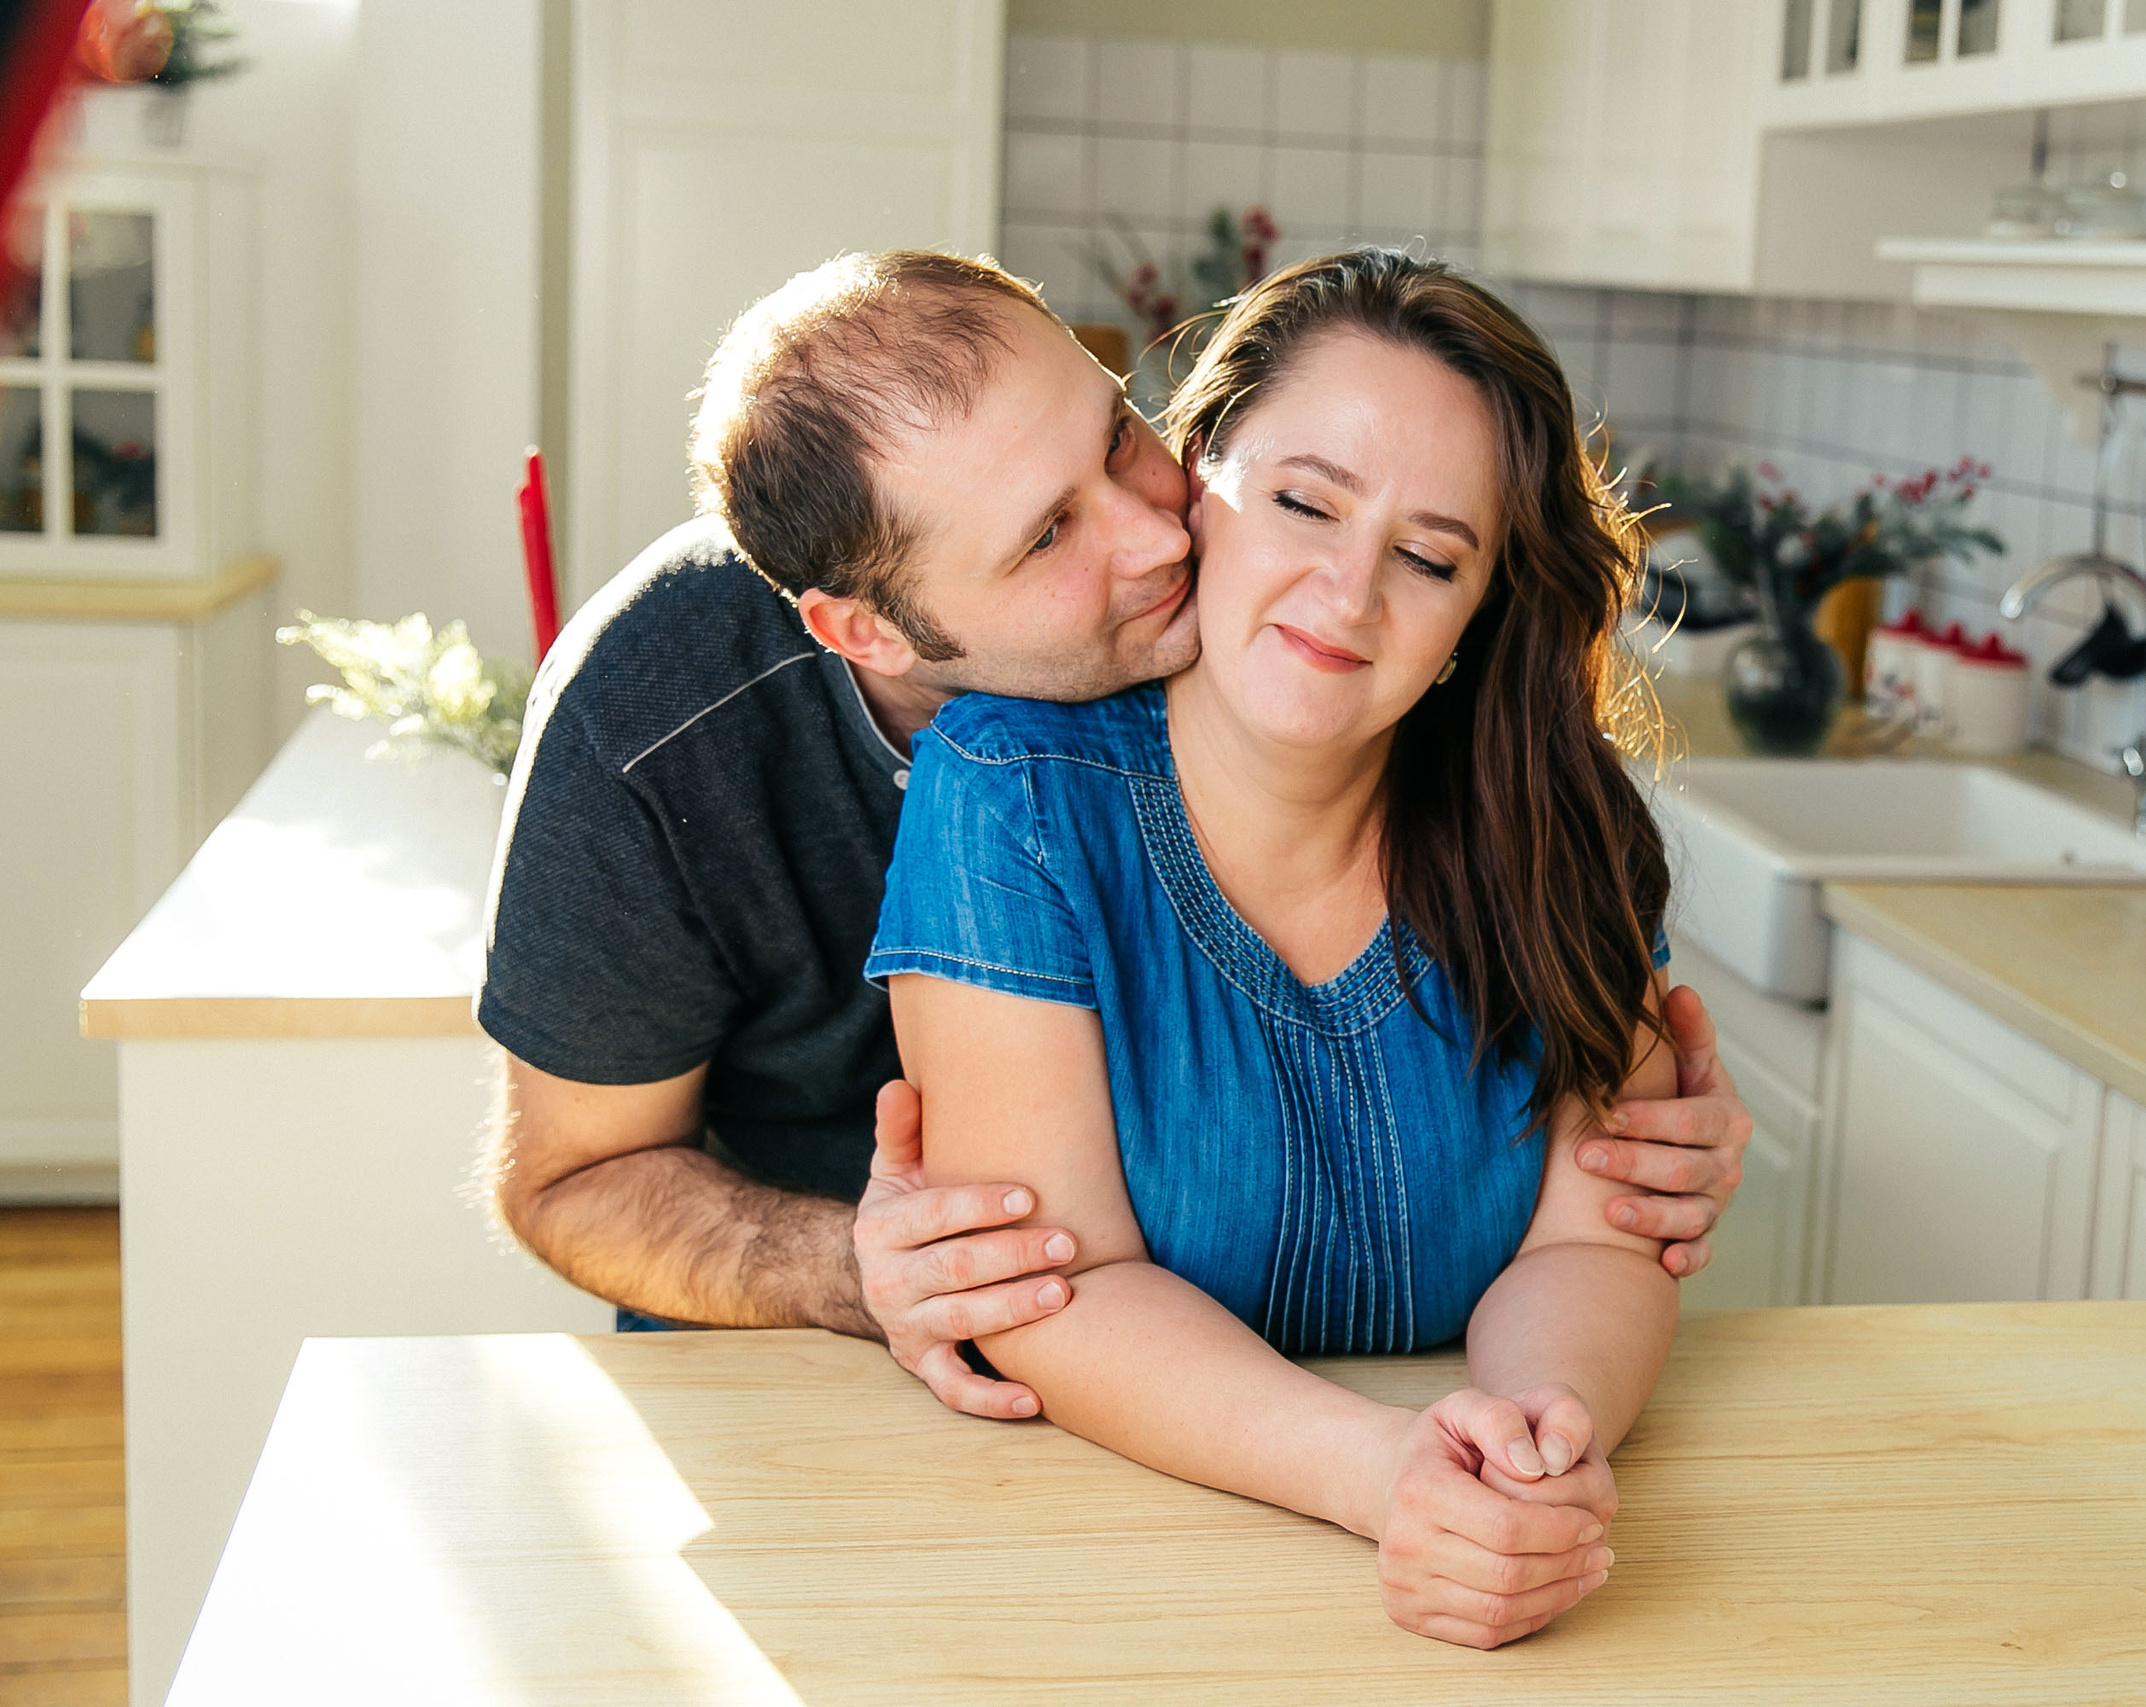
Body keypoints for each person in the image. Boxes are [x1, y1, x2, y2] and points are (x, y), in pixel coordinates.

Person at [477, 250, 1750, 1428]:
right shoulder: (659, 721)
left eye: (1122, 438)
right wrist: (869, 1267)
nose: (1158, 536)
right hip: (828, 1395)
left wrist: (1613, 1132)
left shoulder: (1314, 669)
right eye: (1048, 536)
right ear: (870, 632)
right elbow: (567, 1182)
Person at [870, 249, 1680, 1649]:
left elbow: (1598, 1233)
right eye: (1304, 502)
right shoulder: (1009, 789)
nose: (1350, 592)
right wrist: (1381, 1468)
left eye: (1432, 555)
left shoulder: (1562, 821)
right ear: (1196, 485)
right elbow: (1053, 1280)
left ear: (1481, 609)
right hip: (1106, 1592)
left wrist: (1536, 1441)